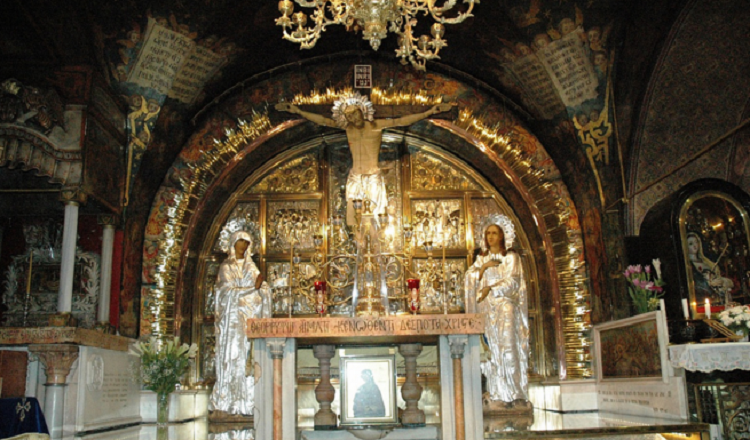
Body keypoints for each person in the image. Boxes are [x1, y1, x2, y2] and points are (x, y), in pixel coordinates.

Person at [276, 94, 452, 224]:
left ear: (362, 111)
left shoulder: (376, 126)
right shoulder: (349, 129)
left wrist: (430, 111)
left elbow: (402, 120)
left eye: (355, 113)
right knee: (353, 218)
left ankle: (375, 254)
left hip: (373, 175)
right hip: (355, 176)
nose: (353, 118)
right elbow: (323, 120)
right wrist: (298, 111)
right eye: (349, 116)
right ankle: (359, 251)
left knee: (376, 218)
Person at [464, 214, 529, 407]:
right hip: (486, 309)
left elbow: (513, 282)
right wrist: (483, 267)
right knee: (490, 350)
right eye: (488, 233)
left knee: (508, 346)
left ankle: (514, 392)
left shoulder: (510, 258)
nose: (491, 236)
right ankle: (494, 393)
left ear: (502, 236)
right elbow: (469, 279)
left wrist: (491, 289)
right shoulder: (481, 259)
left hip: (505, 307)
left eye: (495, 233)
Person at [210, 231, 271, 416]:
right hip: (232, 323)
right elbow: (226, 292)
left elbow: (262, 287)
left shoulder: (250, 267)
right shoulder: (226, 267)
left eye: (246, 242)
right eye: (240, 242)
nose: (243, 245)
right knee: (233, 355)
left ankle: (249, 401)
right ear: (233, 243)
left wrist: (262, 289)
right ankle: (229, 400)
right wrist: (253, 288)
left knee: (248, 357)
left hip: (249, 320)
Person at [686, 232, 734, 305]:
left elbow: (721, 280)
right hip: (701, 302)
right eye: (691, 244)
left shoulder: (708, 262)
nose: (695, 246)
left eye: (696, 242)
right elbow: (694, 285)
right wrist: (709, 283)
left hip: (717, 300)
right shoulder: (689, 266)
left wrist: (721, 282)